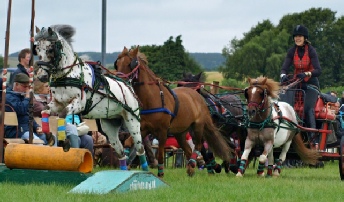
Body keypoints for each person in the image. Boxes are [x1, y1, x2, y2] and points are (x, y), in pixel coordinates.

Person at [280, 25, 322, 145]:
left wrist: (307, 73)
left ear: (305, 38)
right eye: (296, 36)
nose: (297, 38)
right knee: (287, 107)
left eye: (300, 36)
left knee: (308, 109)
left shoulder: (312, 51)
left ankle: (313, 140)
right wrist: (283, 75)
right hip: (296, 84)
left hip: (311, 85)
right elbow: (284, 67)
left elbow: (318, 70)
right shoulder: (292, 51)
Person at [4, 73, 51, 144]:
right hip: (17, 131)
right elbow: (21, 110)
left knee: (49, 138)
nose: (27, 89)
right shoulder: (8, 97)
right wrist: (27, 97)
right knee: (38, 143)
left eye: (28, 87)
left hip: (27, 129)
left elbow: (29, 115)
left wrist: (36, 127)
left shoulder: (22, 96)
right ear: (16, 85)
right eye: (24, 86)